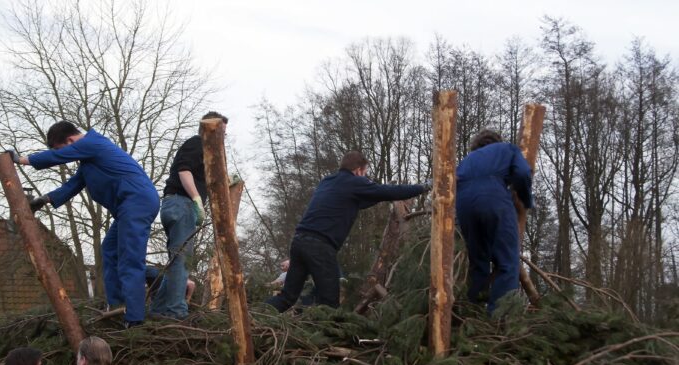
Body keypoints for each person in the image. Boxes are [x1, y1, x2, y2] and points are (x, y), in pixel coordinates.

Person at [10, 121, 160, 328]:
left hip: (137, 202)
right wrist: (43, 200)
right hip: (130, 206)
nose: (66, 155)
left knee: (129, 259)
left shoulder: (93, 142)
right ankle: (117, 306)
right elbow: (73, 185)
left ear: (70, 141)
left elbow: (55, 157)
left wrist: (20, 160)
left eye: (62, 149)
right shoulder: (89, 161)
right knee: (109, 250)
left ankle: (134, 319)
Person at [266, 151, 430, 312]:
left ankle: (253, 316)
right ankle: (326, 335)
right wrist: (423, 187)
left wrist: (377, 195)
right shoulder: (354, 182)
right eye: (365, 172)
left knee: (287, 296)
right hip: (320, 246)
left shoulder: (328, 181)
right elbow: (389, 192)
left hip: (299, 242)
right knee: (329, 300)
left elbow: (356, 202)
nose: (365, 176)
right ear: (359, 170)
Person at [151, 111, 228, 319]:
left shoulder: (206, 154)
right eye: (221, 132)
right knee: (183, 261)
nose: (223, 137)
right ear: (209, 129)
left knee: (177, 260)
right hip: (180, 204)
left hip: (176, 205)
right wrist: (195, 199)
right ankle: (177, 312)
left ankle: (158, 310)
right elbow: (183, 171)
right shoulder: (197, 143)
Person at [456, 129, 533, 314]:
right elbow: (523, 172)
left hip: (463, 204)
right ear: (497, 141)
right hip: (494, 199)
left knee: (478, 262)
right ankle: (499, 318)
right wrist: (525, 199)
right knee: (508, 261)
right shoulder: (507, 149)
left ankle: (472, 314)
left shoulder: (466, 160)